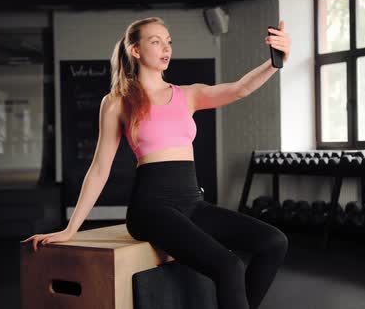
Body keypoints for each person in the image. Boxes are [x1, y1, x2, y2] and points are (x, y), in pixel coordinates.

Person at [22, 16, 291, 309]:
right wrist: (70, 229)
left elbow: (240, 88)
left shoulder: (187, 95)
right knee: (229, 267)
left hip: (191, 204)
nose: (166, 48)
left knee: (274, 242)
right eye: (156, 41)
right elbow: (100, 168)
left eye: (169, 41)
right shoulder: (117, 101)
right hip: (151, 208)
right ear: (135, 50)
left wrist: (275, 63)